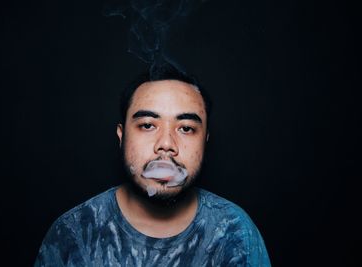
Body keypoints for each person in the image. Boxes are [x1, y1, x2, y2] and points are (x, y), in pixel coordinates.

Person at [34, 65, 271, 266]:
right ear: (121, 136)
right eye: (148, 125)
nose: (166, 144)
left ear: (205, 141)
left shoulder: (235, 232)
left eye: (186, 128)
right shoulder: (73, 233)